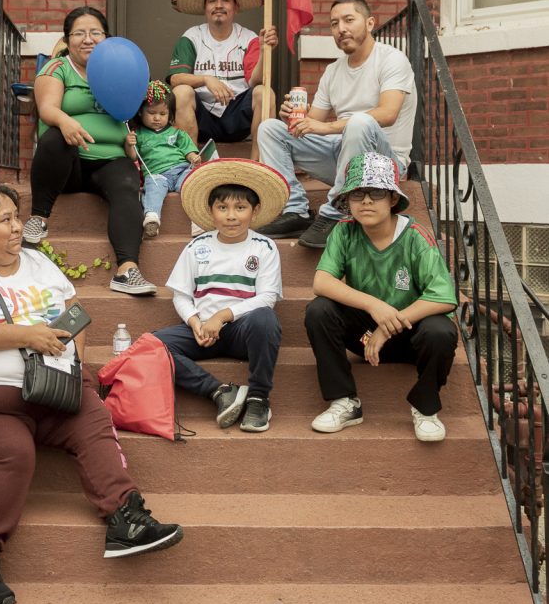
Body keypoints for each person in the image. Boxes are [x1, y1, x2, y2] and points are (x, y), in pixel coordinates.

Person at [0, 183, 183, 604]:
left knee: (93, 419)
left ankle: (125, 520)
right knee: (13, 452)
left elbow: (72, 316)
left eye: (17, 217)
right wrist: (28, 335)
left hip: (50, 392)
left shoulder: (38, 263)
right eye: (5, 220)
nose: (19, 226)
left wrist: (74, 368)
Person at [304, 152, 458, 442]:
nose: (365, 201)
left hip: (413, 338)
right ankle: (345, 402)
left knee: (440, 329)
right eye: (357, 194)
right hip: (365, 336)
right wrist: (374, 306)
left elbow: (444, 298)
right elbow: (321, 282)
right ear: (347, 202)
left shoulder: (415, 237)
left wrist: (386, 327)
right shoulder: (344, 231)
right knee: (319, 310)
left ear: (392, 199)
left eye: (375, 193)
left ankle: (425, 409)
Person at [257, 0, 417, 249]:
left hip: (385, 166)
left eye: (348, 20)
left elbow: (388, 113)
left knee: (360, 122)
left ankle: (334, 214)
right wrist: (293, 118)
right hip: (344, 159)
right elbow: (311, 124)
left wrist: (328, 127)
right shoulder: (333, 71)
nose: (341, 29)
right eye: (334, 23)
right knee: (270, 129)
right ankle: (295, 211)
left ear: (369, 23)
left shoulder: (392, 59)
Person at [22, 5, 156, 296]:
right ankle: (38, 219)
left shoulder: (119, 69)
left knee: (126, 184)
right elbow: (46, 109)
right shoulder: (58, 68)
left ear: (106, 38)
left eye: (95, 32)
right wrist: (66, 121)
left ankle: (127, 270)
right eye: (79, 33)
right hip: (68, 164)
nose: (88, 39)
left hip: (110, 159)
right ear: (67, 40)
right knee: (56, 138)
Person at [153, 159, 289, 433]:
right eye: (222, 207)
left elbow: (267, 298)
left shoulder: (264, 247)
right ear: (211, 211)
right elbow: (181, 296)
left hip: (242, 331)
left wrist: (222, 316)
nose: (231, 216)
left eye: (240, 208)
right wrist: (195, 322)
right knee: (151, 346)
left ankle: (258, 397)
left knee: (265, 318)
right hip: (202, 331)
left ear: (255, 210)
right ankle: (220, 392)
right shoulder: (197, 246)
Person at [167, 0, 278, 161]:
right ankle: (186, 166)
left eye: (225, 0)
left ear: (235, 8)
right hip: (202, 119)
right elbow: (175, 79)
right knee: (181, 92)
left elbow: (255, 82)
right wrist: (206, 79)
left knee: (265, 93)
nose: (219, 5)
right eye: (212, 1)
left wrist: (263, 52)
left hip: (237, 117)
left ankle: (258, 165)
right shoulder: (192, 37)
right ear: (205, 8)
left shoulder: (249, 38)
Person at [124, 80, 201, 239]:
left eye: (163, 114)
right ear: (140, 112)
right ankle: (152, 217)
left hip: (181, 170)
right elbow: (132, 156)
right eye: (152, 113)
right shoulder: (138, 134)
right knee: (153, 189)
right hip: (157, 174)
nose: (157, 118)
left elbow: (188, 150)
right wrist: (129, 144)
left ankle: (198, 221)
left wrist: (193, 156)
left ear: (170, 114)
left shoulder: (176, 132)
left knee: (193, 185)